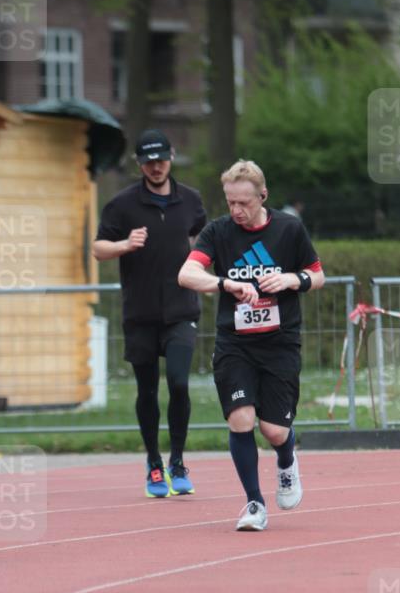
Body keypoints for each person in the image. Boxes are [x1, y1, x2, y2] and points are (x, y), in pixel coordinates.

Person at [178, 159, 324, 531]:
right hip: (235, 343)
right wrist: (225, 284)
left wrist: (292, 279)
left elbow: (317, 275)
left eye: (244, 203)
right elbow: (187, 273)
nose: (236, 211)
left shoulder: (289, 229)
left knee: (273, 430)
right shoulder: (219, 231)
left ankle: (287, 461)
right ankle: (254, 504)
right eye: (230, 202)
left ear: (263, 196)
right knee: (241, 419)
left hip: (280, 343)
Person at [93, 130, 207, 497]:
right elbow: (98, 249)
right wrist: (125, 245)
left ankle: (177, 460)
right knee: (147, 389)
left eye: (161, 160)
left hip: (181, 308)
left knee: (177, 381)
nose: (156, 167)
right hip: (140, 312)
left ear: (171, 157)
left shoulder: (191, 200)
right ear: (139, 164)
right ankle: (154, 463)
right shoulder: (122, 205)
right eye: (148, 162)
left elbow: (202, 240)